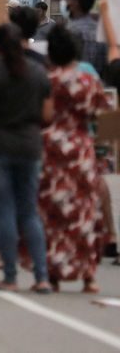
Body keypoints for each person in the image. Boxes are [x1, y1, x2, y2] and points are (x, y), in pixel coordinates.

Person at [0, 23, 54, 293]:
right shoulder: (39, 74)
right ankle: (42, 276)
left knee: (4, 210)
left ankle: (10, 276)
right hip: (29, 146)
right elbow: (47, 116)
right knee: (29, 211)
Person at [39, 25, 110, 293]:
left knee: (53, 211)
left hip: (53, 148)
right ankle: (88, 275)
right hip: (81, 148)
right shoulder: (88, 81)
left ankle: (54, 272)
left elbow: (44, 115)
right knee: (84, 210)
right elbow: (102, 115)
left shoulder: (48, 80)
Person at [64, 0, 107, 76]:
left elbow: (83, 71)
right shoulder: (101, 30)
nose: (64, 2)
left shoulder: (73, 31)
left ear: (75, 2)